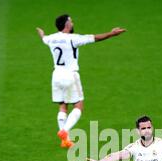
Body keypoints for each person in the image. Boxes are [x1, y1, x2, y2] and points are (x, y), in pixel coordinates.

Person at [36, 15, 126, 148]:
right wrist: (112, 34)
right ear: (67, 24)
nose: (72, 23)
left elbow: (43, 38)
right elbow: (95, 38)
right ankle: (64, 131)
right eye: (71, 21)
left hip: (56, 75)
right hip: (70, 75)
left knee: (62, 106)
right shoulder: (74, 39)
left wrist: (42, 33)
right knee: (78, 106)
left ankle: (64, 140)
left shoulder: (50, 38)